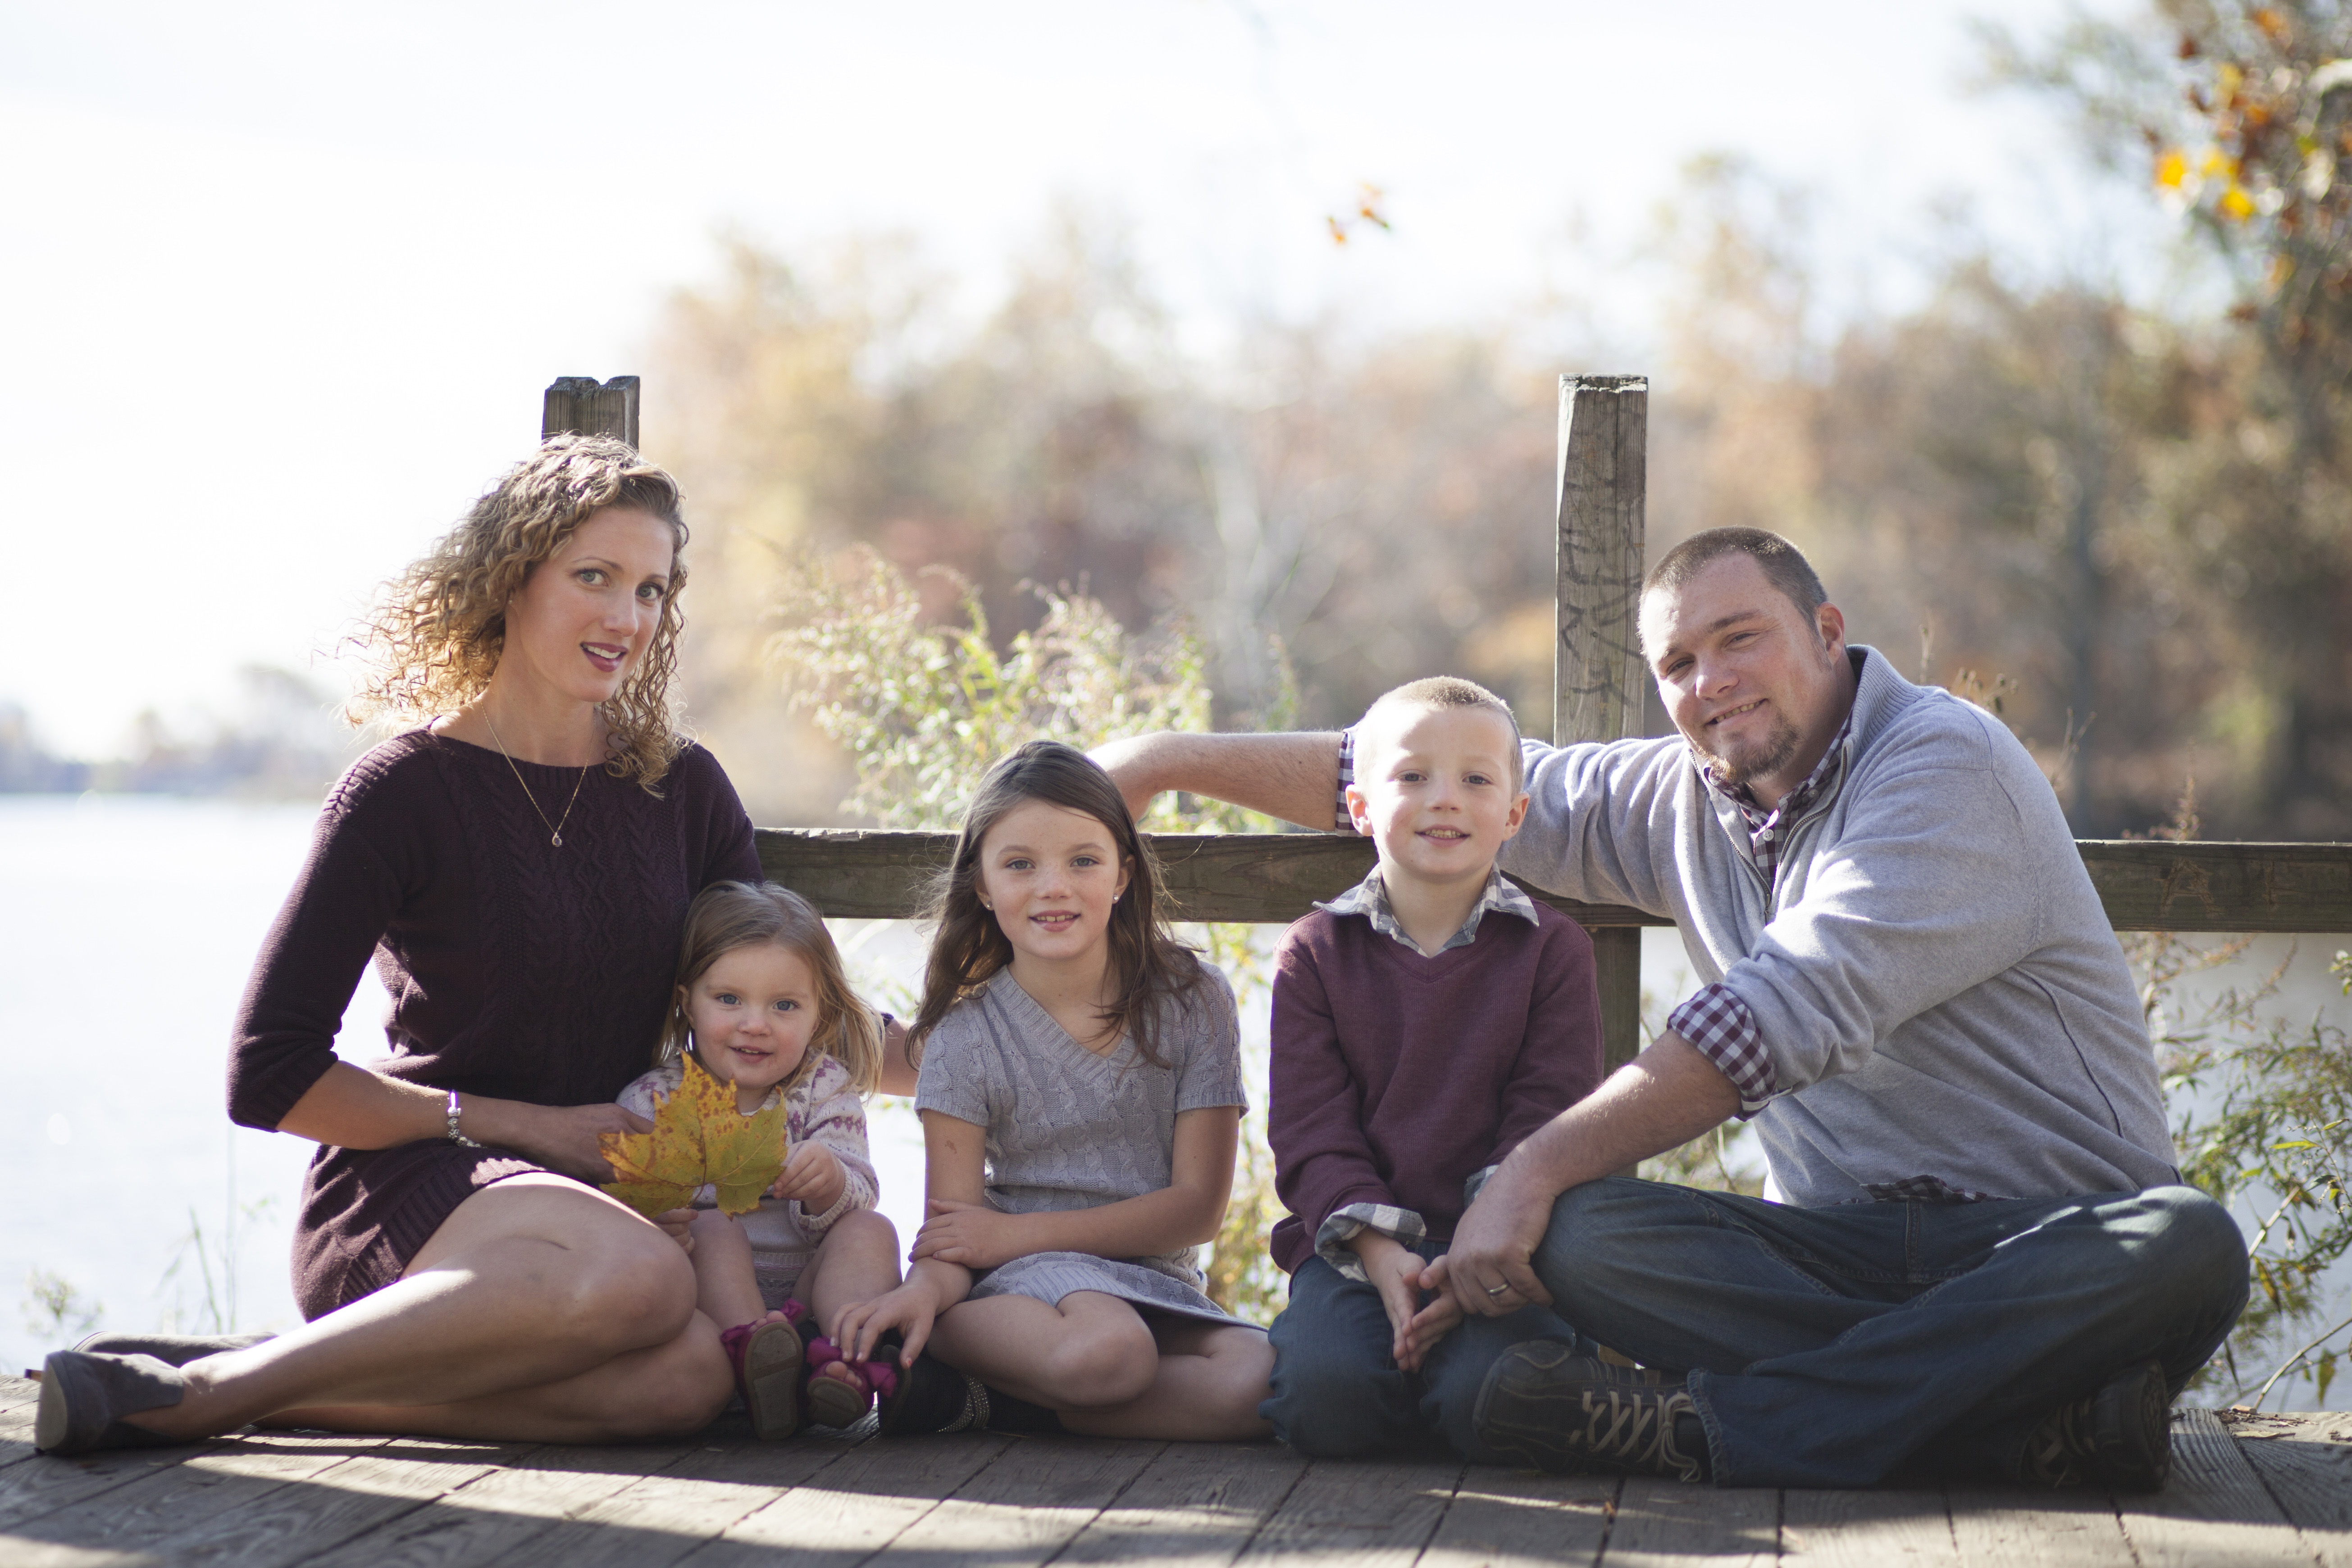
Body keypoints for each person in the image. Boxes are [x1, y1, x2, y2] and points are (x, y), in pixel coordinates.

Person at [1091, 527, 2249, 1492]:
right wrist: (1157, 762)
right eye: (1678, 663)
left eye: (1738, 637)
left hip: (2038, 1254)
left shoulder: (1942, 767)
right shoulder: (1677, 796)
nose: (1709, 682)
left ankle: (1715, 1432)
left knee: (2186, 1240)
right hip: (1825, 1261)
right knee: (1588, 1230)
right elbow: (1401, 764)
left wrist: (1529, 1165)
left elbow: (1788, 1006)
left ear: (1828, 631)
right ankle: (2001, 1424)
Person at [35, 436, 850, 1454]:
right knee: (645, 1278)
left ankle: (246, 1381)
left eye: (649, 589)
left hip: (604, 1210)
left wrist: (987, 1045)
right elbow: (268, 1074)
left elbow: (779, 998)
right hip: (415, 1191)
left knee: (691, 1376)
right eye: (593, 577)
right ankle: (205, 1400)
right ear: (509, 579)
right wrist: (528, 1127)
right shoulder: (401, 793)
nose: (624, 618)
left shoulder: (682, 791)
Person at [831, 740, 1275, 1440]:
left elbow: (1197, 1212)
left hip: (1154, 1283)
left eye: (1083, 860)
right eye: (1019, 865)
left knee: (1258, 1379)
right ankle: (945, 1344)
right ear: (981, 885)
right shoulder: (967, 1037)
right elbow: (955, 1235)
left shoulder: (1193, 1000)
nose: (1053, 887)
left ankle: (988, 1399)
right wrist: (923, 1292)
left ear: (1123, 874)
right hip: (1022, 1288)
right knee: (1112, 1350)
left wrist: (1012, 1233)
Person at [1259, 676, 1606, 1460]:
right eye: (1412, 777)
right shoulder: (1315, 954)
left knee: (1497, 1403)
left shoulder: (1552, 952)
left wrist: (1470, 1255)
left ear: (1513, 815)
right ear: (1360, 808)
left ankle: (1466, 1388)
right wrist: (1384, 1260)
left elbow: (1548, 1123)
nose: (1444, 799)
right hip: (1352, 1250)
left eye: (1477, 780)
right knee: (1326, 1400)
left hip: (1510, 1247)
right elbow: (1313, 1134)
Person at [615, 880, 903, 1440]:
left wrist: (828, 1183)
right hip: (711, 1309)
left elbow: (861, 1189)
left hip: (807, 1291)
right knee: (714, 1231)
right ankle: (758, 1359)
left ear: (819, 1017)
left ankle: (839, 1359)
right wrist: (664, 1218)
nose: (755, 1024)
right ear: (686, 1002)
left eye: (785, 1006)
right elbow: (631, 1211)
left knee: (871, 1230)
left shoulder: (824, 1088)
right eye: (729, 1000)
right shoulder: (652, 1100)